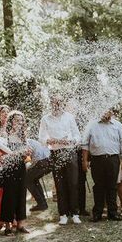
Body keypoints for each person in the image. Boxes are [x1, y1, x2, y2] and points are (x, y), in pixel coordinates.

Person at [39, 95, 82, 225]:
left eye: (59, 102)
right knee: (60, 184)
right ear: (51, 103)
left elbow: (77, 135)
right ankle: (63, 214)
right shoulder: (45, 119)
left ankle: (75, 213)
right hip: (55, 153)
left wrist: (71, 141)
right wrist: (49, 140)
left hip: (69, 152)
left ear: (62, 103)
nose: (56, 104)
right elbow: (41, 138)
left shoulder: (69, 117)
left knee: (73, 183)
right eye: (54, 102)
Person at [82, 109, 122, 222]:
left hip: (113, 159)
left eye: (108, 112)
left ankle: (112, 212)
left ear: (111, 112)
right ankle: (97, 213)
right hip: (97, 160)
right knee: (98, 186)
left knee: (112, 186)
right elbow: (85, 144)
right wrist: (84, 161)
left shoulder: (117, 125)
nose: (106, 114)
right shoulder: (92, 125)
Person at [0, 111, 30, 234]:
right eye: (17, 120)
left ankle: (21, 224)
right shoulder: (4, 135)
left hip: (21, 167)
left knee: (21, 194)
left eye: (21, 120)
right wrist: (18, 153)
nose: (19, 122)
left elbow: (26, 154)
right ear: (11, 121)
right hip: (9, 168)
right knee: (9, 195)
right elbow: (2, 153)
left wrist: (27, 153)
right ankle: (8, 225)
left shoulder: (23, 136)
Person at [26, 138, 51, 212]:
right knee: (32, 179)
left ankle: (42, 204)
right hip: (48, 160)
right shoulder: (30, 140)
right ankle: (42, 204)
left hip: (42, 162)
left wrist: (28, 167)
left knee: (27, 180)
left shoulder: (26, 142)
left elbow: (29, 157)